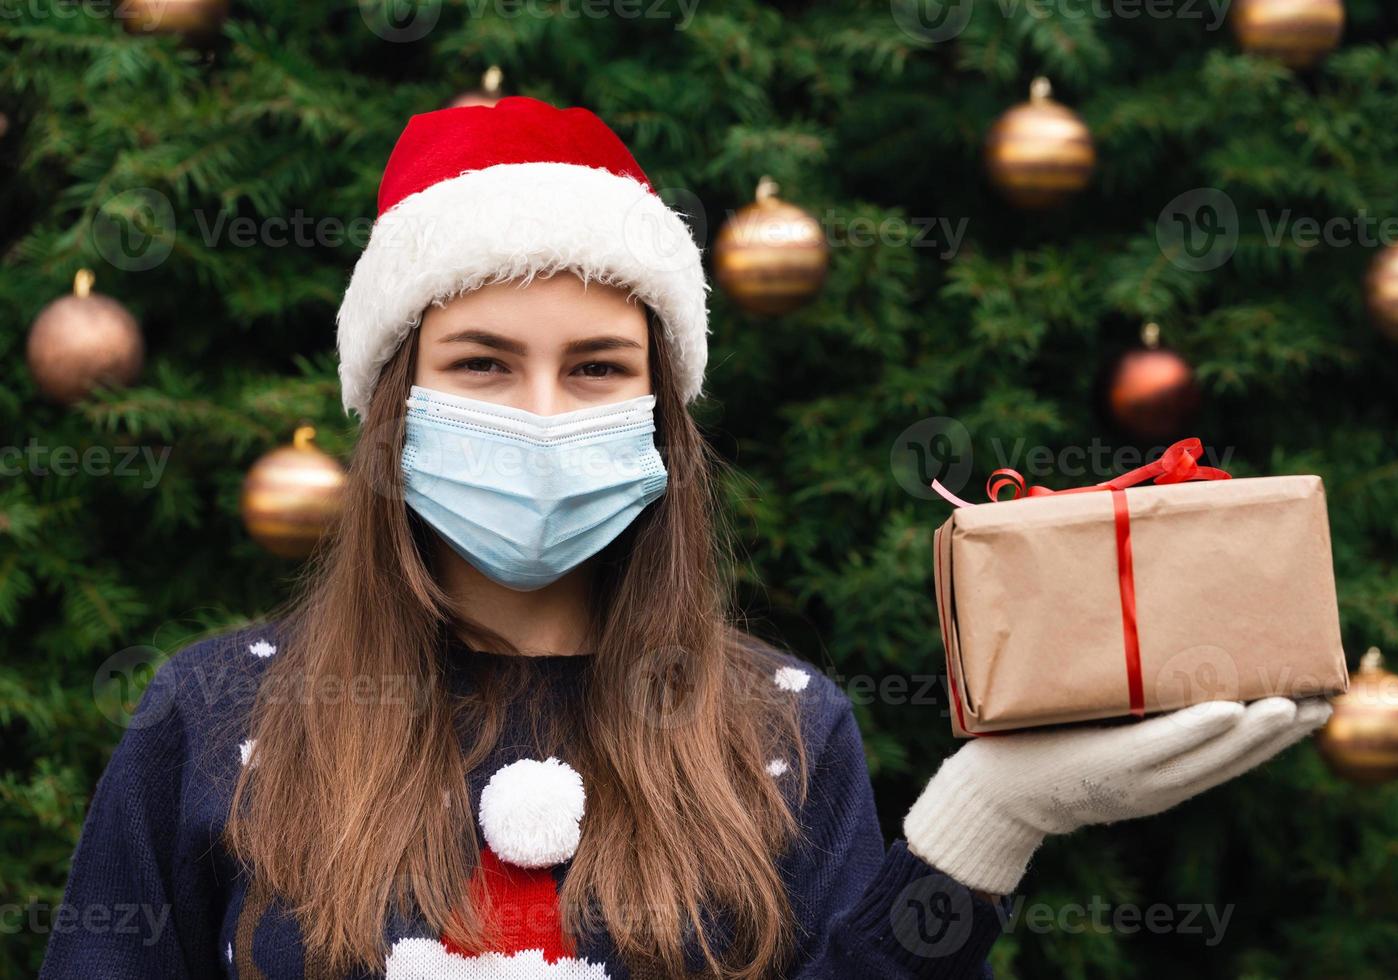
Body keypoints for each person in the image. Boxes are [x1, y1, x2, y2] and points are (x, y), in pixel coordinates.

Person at [40, 97, 1330, 980]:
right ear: (394, 409)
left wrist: (980, 824)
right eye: (482, 363)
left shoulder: (782, 732)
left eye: (598, 368)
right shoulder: (211, 719)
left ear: (662, 417)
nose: (543, 414)